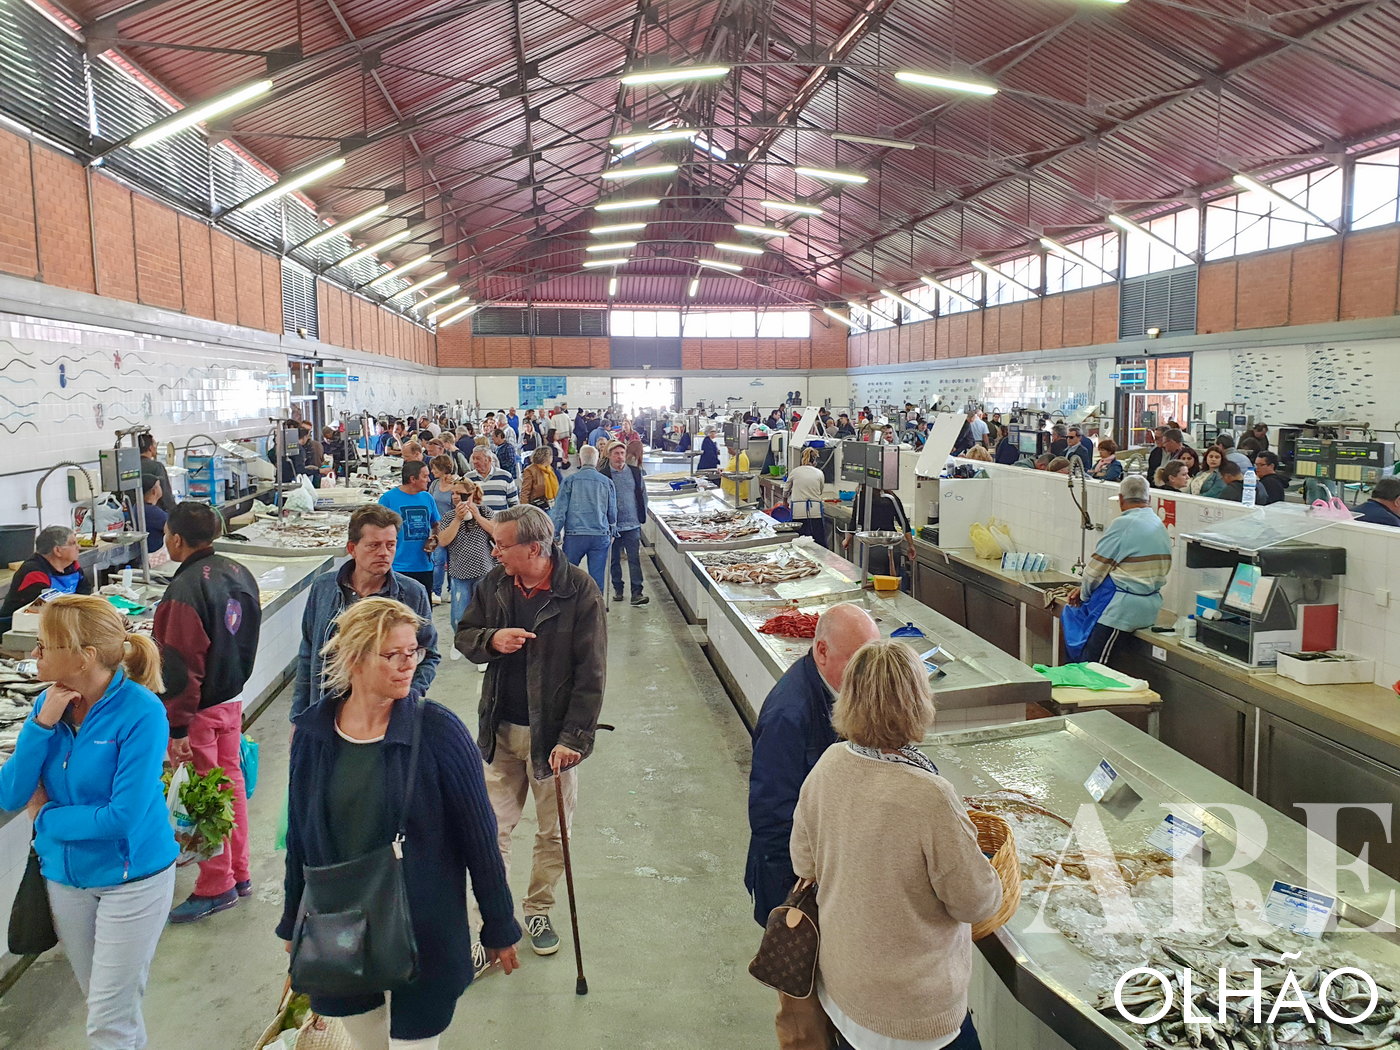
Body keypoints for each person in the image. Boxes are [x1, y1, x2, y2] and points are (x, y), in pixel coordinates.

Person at [280, 598, 522, 1048]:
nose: (408, 664)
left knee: (416, 1039)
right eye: (392, 655)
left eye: (413, 652)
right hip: (341, 926)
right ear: (354, 659)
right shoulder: (314, 735)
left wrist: (499, 925)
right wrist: (293, 920)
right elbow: (300, 839)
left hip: (423, 928)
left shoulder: (438, 732)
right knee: (366, 1040)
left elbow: (480, 841)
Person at [791, 640, 1003, 1050]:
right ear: (918, 702)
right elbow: (975, 903)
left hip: (843, 992)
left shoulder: (829, 763)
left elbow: (804, 862)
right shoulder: (930, 796)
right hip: (913, 1017)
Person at [0, 595, 176, 1050]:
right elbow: (10, 794)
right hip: (66, 880)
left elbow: (121, 817)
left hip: (132, 881)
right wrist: (40, 725)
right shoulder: (49, 706)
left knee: (107, 1021)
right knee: (107, 1008)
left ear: (84, 656)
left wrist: (46, 817)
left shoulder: (141, 713)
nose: (34, 654)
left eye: (44, 645)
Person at [454, 506, 607, 959]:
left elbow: (592, 674)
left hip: (553, 741)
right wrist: (491, 640)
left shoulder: (580, 591)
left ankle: (538, 908)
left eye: (502, 545)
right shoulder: (495, 584)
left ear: (534, 548)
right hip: (500, 730)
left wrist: (573, 739)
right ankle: (493, 924)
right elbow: (465, 634)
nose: (494, 552)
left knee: (554, 833)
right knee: (490, 832)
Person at [745, 605, 880, 1047]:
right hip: (794, 889)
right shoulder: (790, 713)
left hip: (825, 884)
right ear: (821, 651)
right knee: (804, 1017)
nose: (868, 672)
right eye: (858, 660)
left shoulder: (837, 690)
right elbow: (771, 819)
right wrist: (797, 905)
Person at [155, 501, 260, 923]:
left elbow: (181, 665)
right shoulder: (238, 571)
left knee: (202, 796)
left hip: (197, 711)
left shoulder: (185, 589)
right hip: (230, 701)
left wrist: (177, 726)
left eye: (167, 536)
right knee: (229, 786)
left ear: (177, 539)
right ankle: (239, 872)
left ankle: (216, 885)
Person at [292, 504, 438, 724]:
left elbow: (428, 654)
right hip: (326, 715)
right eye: (373, 545)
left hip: (384, 719)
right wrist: (299, 718)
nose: (384, 553)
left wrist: (408, 698)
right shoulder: (324, 588)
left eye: (390, 545)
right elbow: (307, 652)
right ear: (352, 548)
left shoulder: (411, 594)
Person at [1067, 475, 1172, 665]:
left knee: (1091, 668)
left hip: (1120, 611)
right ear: (1149, 499)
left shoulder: (1124, 524)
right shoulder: (1158, 524)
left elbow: (1094, 571)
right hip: (1149, 608)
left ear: (1121, 499)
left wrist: (1083, 596)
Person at [438, 480, 498, 656]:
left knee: (486, 612)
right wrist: (457, 519)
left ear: (471, 495)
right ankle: (460, 642)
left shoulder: (485, 511)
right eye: (453, 493)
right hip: (459, 572)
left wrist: (477, 515)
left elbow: (496, 532)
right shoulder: (449, 517)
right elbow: (443, 541)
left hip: (484, 570)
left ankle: (483, 645)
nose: (455, 497)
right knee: (458, 613)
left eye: (460, 493)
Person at [549, 445, 616, 596]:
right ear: (597, 461)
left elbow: (560, 511)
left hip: (575, 535)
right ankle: (596, 605)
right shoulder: (607, 482)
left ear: (580, 459)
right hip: (600, 535)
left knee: (568, 576)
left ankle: (569, 604)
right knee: (596, 578)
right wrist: (612, 530)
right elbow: (612, 510)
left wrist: (555, 534)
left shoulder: (570, 481)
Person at [1, 526, 92, 632]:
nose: (78, 547)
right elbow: (42, 608)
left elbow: (85, 590)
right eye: (73, 543)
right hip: (18, 629)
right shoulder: (34, 572)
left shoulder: (72, 566)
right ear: (57, 550)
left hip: (60, 623)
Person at [377, 460, 442, 597]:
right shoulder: (388, 499)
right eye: (425, 476)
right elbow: (378, 531)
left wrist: (434, 539)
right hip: (397, 566)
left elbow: (436, 524)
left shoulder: (427, 498)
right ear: (413, 479)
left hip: (424, 566)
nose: (429, 480)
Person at [600, 441, 648, 606]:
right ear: (609, 456)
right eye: (616, 454)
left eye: (622, 453)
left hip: (632, 524)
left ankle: (637, 592)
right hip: (612, 526)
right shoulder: (604, 475)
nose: (620, 457)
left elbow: (643, 494)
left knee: (634, 559)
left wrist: (641, 515)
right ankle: (618, 589)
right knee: (614, 559)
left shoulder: (635, 472)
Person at [785, 448, 827, 545]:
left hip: (798, 511)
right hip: (815, 511)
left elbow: (786, 490)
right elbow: (820, 491)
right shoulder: (819, 473)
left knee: (799, 540)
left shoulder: (795, 471)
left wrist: (784, 502)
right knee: (818, 541)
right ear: (815, 461)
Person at [466, 447, 519, 513]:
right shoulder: (468, 478)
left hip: (500, 518)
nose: (474, 462)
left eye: (478, 458)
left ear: (489, 459)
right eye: (473, 458)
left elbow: (514, 504)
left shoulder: (505, 476)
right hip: (476, 518)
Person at [138, 433, 178, 512]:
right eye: (155, 446)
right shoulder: (157, 466)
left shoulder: (130, 467)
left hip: (134, 512)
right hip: (155, 511)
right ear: (150, 448)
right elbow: (166, 495)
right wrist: (174, 511)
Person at [134, 474, 168, 554]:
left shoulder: (138, 506)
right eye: (159, 485)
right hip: (153, 555)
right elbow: (174, 525)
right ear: (154, 491)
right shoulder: (152, 512)